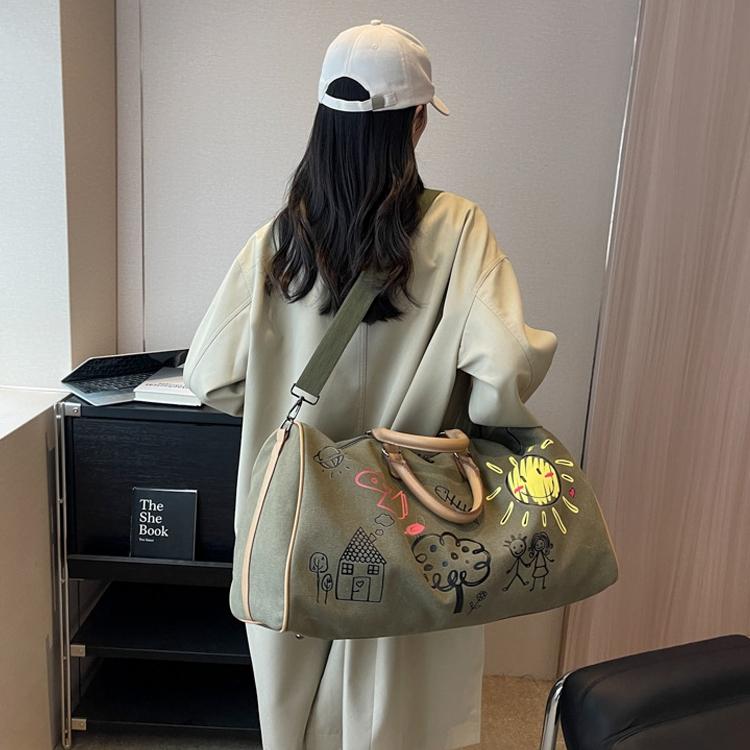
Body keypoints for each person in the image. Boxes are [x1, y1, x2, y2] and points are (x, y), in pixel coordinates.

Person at [183, 19, 558, 750]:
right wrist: (479, 421)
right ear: (416, 122)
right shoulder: (458, 229)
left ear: (324, 120)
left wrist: (283, 410)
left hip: (294, 513)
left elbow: (211, 376)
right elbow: (505, 367)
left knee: (292, 715)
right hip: (418, 509)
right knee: (401, 714)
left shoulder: (279, 242)